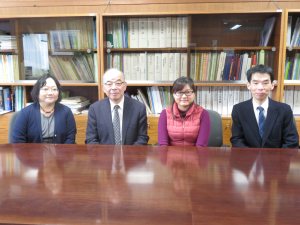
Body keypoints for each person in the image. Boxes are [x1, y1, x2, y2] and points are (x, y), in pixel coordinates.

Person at [230, 64, 299, 148]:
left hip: (277, 159)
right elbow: (237, 140)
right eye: (255, 83)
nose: (260, 87)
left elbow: (291, 141)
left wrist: (277, 159)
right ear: (249, 85)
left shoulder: (284, 110)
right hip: (249, 159)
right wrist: (251, 159)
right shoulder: (239, 110)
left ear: (272, 85)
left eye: (265, 83)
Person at [85, 68, 148, 145]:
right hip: (104, 155)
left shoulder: (139, 108)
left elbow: (142, 138)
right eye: (109, 84)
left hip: (130, 155)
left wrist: (129, 155)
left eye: (118, 83)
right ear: (103, 88)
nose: (114, 87)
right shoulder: (95, 109)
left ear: (125, 86)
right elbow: (91, 139)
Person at [12, 74, 76, 143]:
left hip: (61, 152)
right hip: (32, 153)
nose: (50, 93)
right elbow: (18, 141)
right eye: (45, 89)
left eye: (54, 89)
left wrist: (62, 153)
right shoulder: (25, 113)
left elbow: (70, 138)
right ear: (37, 92)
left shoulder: (66, 112)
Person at [158, 76, 210, 146]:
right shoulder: (165, 114)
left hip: (195, 155)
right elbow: (163, 144)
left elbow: (201, 146)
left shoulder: (203, 114)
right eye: (179, 92)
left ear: (194, 94)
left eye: (188, 92)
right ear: (173, 94)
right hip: (171, 155)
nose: (184, 96)